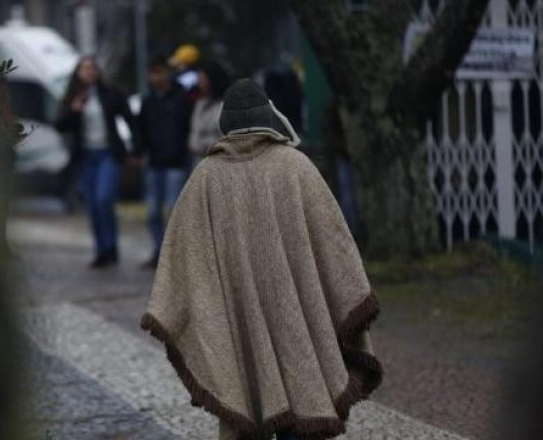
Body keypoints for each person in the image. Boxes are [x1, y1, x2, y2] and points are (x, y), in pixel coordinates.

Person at [140, 79, 382, 440]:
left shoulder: (205, 177)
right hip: (297, 314)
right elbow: (336, 245)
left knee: (248, 393)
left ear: (226, 123)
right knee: (302, 401)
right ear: (268, 116)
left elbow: (183, 259)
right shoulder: (295, 166)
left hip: (239, 321)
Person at [55, 56, 137, 269]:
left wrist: (135, 148)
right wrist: (74, 111)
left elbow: (129, 118)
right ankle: (102, 250)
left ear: (98, 71)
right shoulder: (72, 96)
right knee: (92, 205)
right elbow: (59, 125)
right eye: (84, 68)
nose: (89, 72)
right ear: (77, 73)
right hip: (85, 156)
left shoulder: (110, 94)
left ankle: (111, 246)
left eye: (92, 68)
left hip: (108, 153)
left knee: (103, 198)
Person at [131, 56, 193, 269]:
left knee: (174, 210)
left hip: (176, 162)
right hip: (154, 162)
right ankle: (160, 250)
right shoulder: (148, 101)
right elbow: (140, 129)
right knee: (153, 212)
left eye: (159, 72)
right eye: (153, 73)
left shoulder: (181, 98)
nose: (156, 77)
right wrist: (138, 151)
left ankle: (175, 253)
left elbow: (187, 127)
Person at [187, 60, 231, 168]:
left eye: (203, 79)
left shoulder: (224, 106)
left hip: (219, 164)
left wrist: (203, 145)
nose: (200, 83)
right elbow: (194, 132)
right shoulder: (199, 104)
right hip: (199, 164)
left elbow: (226, 139)